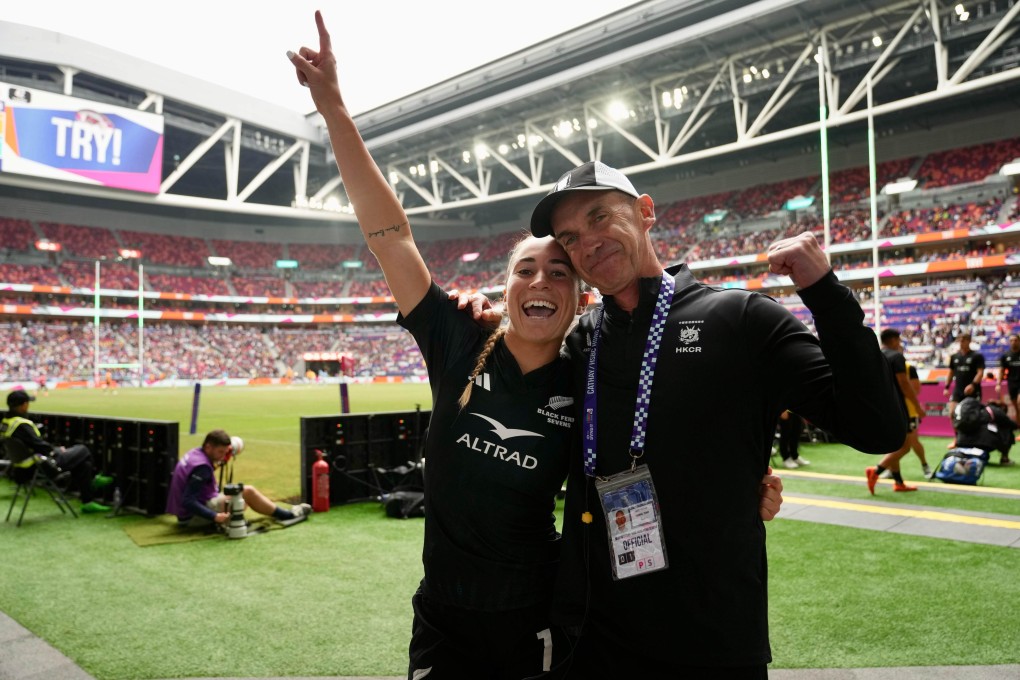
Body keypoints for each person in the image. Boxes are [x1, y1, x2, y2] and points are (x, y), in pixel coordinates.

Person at [288, 16, 786, 678]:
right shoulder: (457, 339)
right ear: (506, 287)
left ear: (580, 298)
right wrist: (333, 109)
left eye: (559, 272)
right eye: (526, 269)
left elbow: (664, 433)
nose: (541, 280)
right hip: (442, 618)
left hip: (538, 619)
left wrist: (743, 484)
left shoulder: (587, 372)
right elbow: (391, 236)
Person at [527, 160, 905, 677]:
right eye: (570, 238)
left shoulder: (743, 319)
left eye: (599, 217)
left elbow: (877, 428)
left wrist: (824, 292)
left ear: (645, 212)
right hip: (595, 637)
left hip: (712, 637)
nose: (588, 243)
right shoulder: (578, 341)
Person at [165, 429, 311, 528]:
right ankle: (288, 515)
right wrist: (214, 516)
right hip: (190, 519)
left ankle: (233, 515)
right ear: (209, 447)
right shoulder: (202, 467)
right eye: (221, 452)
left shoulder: (195, 453)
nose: (223, 456)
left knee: (241, 500)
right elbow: (188, 500)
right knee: (247, 491)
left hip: (184, 514)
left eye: (225, 452)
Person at [1, 389, 112, 513]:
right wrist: (57, 450)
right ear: (23, 405)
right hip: (41, 467)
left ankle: (88, 501)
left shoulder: (6, 423)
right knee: (83, 450)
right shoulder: (21, 424)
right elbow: (40, 446)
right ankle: (92, 484)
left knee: (83, 464)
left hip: (21, 468)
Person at [866, 328, 922, 493]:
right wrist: (917, 406)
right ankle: (876, 471)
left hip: (879, 407)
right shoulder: (896, 357)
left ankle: (898, 482)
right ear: (893, 340)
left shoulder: (873, 355)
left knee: (894, 445)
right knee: (905, 446)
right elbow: (904, 384)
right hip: (897, 407)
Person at [944, 332, 985, 418]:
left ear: (969, 341)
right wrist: (946, 387)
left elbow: (980, 373)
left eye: (963, 340)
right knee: (952, 413)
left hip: (972, 390)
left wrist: (973, 385)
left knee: (972, 416)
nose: (961, 342)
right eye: (959, 340)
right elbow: (951, 373)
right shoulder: (954, 357)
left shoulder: (977, 356)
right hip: (958, 390)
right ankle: (956, 428)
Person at [997, 333, 1020, 420]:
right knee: (1016, 408)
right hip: (1012, 383)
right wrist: (998, 384)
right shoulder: (1005, 355)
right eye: (1011, 340)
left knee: (1019, 403)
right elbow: (1001, 370)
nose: (1013, 342)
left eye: (1015, 340)